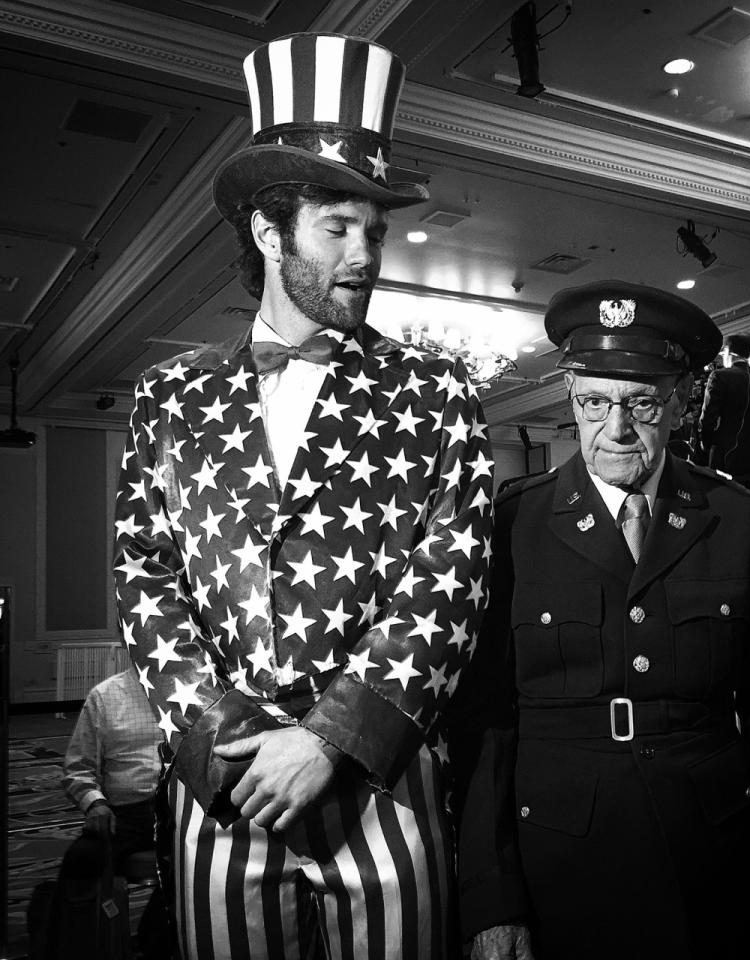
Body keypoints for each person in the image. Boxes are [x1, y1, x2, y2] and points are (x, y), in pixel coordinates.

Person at [111, 32, 494, 960]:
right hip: (224, 788)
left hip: (381, 784)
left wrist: (327, 742)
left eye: (376, 229)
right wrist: (229, 740)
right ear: (267, 231)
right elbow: (145, 579)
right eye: (338, 227)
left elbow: (451, 580)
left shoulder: (439, 394)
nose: (365, 254)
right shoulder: (170, 397)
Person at [452, 281, 750, 960]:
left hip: (711, 854)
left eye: (641, 403)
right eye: (594, 402)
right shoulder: (513, 524)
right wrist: (490, 896)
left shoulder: (736, 519)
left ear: (680, 402)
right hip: (560, 860)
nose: (615, 429)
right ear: (571, 400)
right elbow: (483, 723)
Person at [43, 667, 166, 959]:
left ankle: (156, 943)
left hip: (179, 809)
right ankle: (67, 945)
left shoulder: (197, 690)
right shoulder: (107, 695)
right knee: (81, 859)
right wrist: (95, 803)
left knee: (194, 867)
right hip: (124, 813)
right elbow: (77, 768)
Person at [697, 332, 750, 488]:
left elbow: (707, 420)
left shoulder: (719, 377)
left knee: (723, 507)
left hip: (725, 459)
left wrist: (705, 444)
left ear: (728, 351)